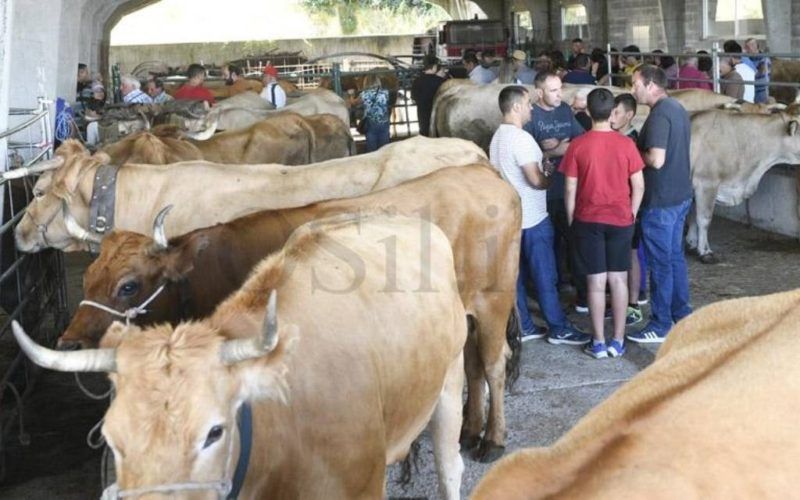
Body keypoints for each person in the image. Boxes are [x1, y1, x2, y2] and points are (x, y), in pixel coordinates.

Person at [488, 85, 590, 346]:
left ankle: (525, 326)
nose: (531, 108)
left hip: (509, 219)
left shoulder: (497, 137)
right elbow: (535, 181)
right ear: (516, 107)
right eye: (527, 104)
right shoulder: (521, 139)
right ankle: (558, 328)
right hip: (532, 218)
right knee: (546, 276)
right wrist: (547, 176)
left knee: (518, 275)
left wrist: (542, 159)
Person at [561, 88, 644, 358]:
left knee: (595, 283)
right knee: (618, 281)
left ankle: (597, 342)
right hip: (620, 219)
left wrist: (573, 219)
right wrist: (631, 213)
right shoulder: (627, 144)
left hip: (588, 220)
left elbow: (570, 188)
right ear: (612, 113)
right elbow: (639, 185)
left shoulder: (578, 144)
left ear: (587, 112)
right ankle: (618, 341)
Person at [628, 64, 693, 344]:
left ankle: (661, 322)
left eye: (636, 84)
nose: (633, 90)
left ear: (651, 85)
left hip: (661, 201)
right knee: (675, 258)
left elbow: (656, 159)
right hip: (680, 196)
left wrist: (630, 151)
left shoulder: (658, 116)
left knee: (661, 263)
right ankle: (682, 314)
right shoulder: (677, 108)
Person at [523, 71, 586, 312]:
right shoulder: (530, 117)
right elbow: (526, 156)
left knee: (572, 240)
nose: (560, 94)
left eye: (560, 89)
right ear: (539, 93)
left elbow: (580, 141)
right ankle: (549, 290)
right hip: (540, 193)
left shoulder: (565, 111)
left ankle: (574, 288)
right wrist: (553, 152)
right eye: (553, 90)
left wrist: (555, 148)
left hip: (568, 187)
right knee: (546, 245)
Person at [610, 93, 648, 324]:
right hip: (615, 207)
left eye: (617, 113)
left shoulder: (633, 141)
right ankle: (619, 301)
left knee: (631, 254)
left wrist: (633, 211)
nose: (612, 117)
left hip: (629, 206)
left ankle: (633, 303)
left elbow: (638, 182)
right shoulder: (615, 138)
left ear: (629, 115)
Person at [351, 73, 390, 152]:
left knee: (372, 148)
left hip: (371, 122)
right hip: (384, 121)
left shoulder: (364, 94)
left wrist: (351, 95)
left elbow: (354, 103)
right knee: (385, 147)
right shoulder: (385, 92)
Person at [411, 55, 446, 137]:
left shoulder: (417, 81)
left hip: (423, 117)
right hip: (438, 117)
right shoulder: (441, 82)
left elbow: (414, 99)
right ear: (434, 67)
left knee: (425, 136)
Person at [744, 37, 770, 103]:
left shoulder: (764, 59)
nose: (750, 48)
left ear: (757, 45)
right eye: (747, 46)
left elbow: (763, 72)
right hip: (749, 88)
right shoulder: (746, 59)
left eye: (752, 45)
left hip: (761, 89)